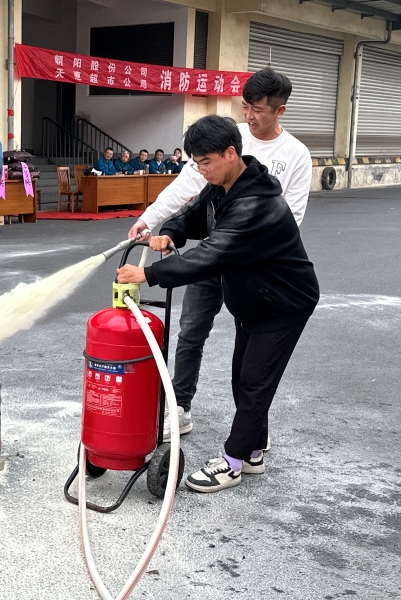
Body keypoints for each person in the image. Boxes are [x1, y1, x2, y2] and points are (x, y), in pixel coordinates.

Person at [117, 115, 319, 493]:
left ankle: (232, 462)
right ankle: (253, 452)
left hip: (283, 304)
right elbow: (194, 217)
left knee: (254, 383)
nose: (201, 170)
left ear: (230, 153)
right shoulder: (223, 187)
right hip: (256, 300)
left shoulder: (256, 203)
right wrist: (170, 232)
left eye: (206, 162)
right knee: (244, 378)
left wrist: (147, 274)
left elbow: (212, 254)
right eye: (196, 163)